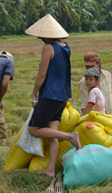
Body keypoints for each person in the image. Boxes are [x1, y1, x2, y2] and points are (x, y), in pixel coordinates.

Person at [25, 14, 81, 179]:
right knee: (51, 132)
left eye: (40, 35)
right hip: (63, 96)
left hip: (50, 95)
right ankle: (50, 169)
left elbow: (42, 75)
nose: (39, 38)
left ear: (46, 34)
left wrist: (34, 93)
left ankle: (70, 136)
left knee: (34, 129)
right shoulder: (66, 47)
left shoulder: (48, 48)